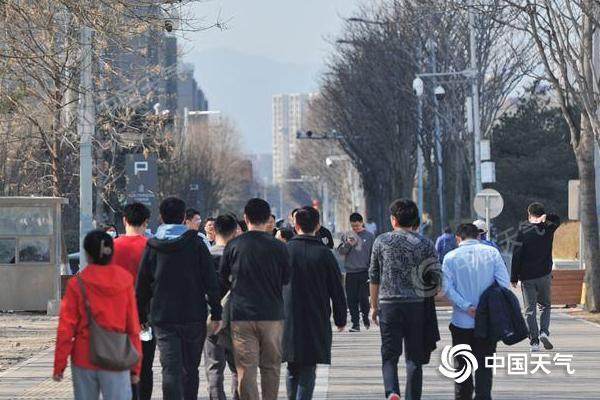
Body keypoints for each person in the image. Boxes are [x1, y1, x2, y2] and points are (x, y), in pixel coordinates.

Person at [137, 197, 223, 400]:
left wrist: (141, 315)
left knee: (170, 369)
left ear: (161, 217)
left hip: (163, 318)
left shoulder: (153, 246)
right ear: (184, 217)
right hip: (193, 316)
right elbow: (211, 280)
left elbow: (142, 285)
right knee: (190, 370)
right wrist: (216, 312)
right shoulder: (196, 243)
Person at [53, 230, 142, 400]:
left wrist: (59, 365)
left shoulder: (77, 284)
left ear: (87, 255)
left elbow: (66, 328)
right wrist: (136, 367)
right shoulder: (125, 281)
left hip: (84, 357)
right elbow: (132, 327)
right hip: (116, 356)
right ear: (111, 253)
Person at [219, 198, 291, 400]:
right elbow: (286, 278)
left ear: (245, 218)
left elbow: (222, 279)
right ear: (268, 219)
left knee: (245, 368)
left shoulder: (234, 245)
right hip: (272, 314)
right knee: (271, 367)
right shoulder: (279, 247)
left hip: (242, 315)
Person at [369, 199, 440, 400]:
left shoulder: (381, 241)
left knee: (389, 355)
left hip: (389, 305)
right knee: (414, 358)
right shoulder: (425, 244)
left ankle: (392, 391)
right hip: (416, 306)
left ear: (393, 220)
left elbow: (374, 276)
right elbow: (436, 279)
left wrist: (374, 306)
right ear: (415, 220)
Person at [283, 206, 347, 400]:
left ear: (295, 225)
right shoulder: (324, 254)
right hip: (316, 315)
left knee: (292, 366)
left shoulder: (284, 251)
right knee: (308, 367)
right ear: (318, 226)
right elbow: (337, 289)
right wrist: (340, 319)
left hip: (288, 317)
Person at [442, 223, 510, 400]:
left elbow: (447, 289)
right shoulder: (492, 253)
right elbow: (504, 284)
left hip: (461, 322)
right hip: (487, 322)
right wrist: (485, 307)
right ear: (478, 236)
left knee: (462, 368)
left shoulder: (450, 257)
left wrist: (466, 306)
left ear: (458, 238)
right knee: (484, 368)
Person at [112, 203, 154, 400]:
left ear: (124, 221)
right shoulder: (152, 248)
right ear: (146, 222)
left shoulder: (110, 248)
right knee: (144, 367)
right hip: (145, 318)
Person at [511, 202, 561, 352]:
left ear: (529, 214)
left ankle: (534, 341)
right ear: (542, 215)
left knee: (530, 309)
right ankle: (544, 332)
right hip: (544, 275)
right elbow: (557, 219)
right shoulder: (548, 228)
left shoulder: (523, 229)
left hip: (527, 277)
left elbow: (516, 254)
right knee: (545, 305)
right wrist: (545, 218)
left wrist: (514, 277)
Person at [205, 215, 240, 400]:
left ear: (214, 231)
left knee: (214, 368)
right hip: (237, 318)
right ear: (235, 232)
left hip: (211, 318)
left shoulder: (205, 256)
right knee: (238, 368)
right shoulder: (239, 257)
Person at [337, 212, 375, 332]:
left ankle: (365, 317)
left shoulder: (370, 236)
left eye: (357, 226)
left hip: (364, 272)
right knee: (351, 299)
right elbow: (341, 252)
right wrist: (348, 244)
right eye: (353, 226)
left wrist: (372, 269)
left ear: (362, 223)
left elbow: (373, 254)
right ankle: (355, 323)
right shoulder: (346, 235)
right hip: (350, 272)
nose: (355, 228)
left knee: (363, 298)